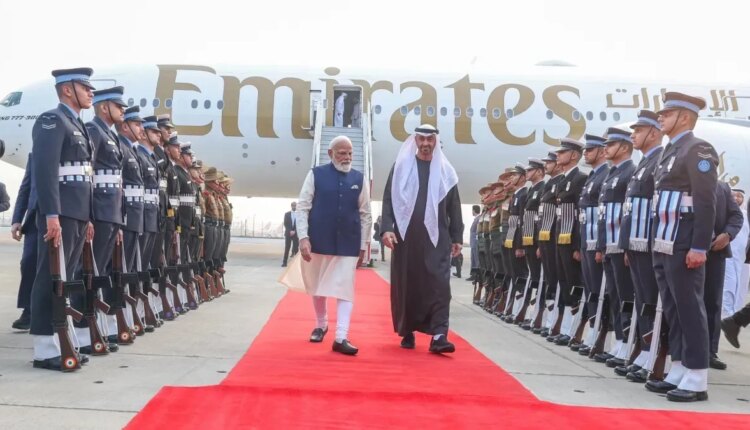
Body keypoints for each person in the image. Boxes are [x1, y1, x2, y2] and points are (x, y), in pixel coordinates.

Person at [645, 92, 718, 402]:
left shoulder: (698, 149)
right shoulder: (670, 151)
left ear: (684, 117)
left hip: (684, 239)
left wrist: (700, 246)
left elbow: (705, 201)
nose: (660, 118)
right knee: (673, 308)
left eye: (667, 113)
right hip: (664, 238)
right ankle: (679, 367)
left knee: (689, 308)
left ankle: (697, 376)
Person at [30, 67, 96, 371]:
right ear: (67, 89)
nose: (91, 92)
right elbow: (45, 171)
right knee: (50, 277)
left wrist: (89, 217)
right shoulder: (52, 120)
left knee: (65, 281)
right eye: (85, 87)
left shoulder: (77, 124)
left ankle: (62, 341)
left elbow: (86, 177)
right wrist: (51, 214)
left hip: (78, 213)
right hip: (61, 214)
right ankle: (45, 350)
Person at [381, 124, 463, 353]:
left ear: (436, 141)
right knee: (408, 284)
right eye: (422, 139)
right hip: (406, 238)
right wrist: (386, 228)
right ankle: (407, 329)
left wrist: (457, 236)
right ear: (415, 141)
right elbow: (388, 199)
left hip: (437, 239)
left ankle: (439, 335)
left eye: (430, 139)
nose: (426, 144)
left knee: (439, 286)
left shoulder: (446, 171)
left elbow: (454, 206)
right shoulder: (401, 167)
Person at [296, 135, 372, 355]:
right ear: (330, 153)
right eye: (342, 153)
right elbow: (303, 207)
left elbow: (366, 213)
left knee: (345, 288)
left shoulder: (359, 178)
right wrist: (303, 237)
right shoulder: (315, 175)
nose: (347, 157)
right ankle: (321, 325)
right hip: (319, 239)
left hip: (348, 242)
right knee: (318, 286)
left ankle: (341, 336)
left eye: (349, 153)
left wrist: (363, 245)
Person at [618, 111, 664, 382]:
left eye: (639, 130)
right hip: (635, 243)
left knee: (650, 300)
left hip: (648, 243)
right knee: (642, 299)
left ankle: (654, 353)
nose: (633, 135)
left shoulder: (658, 161)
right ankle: (646, 350)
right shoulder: (643, 163)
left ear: (654, 133)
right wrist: (626, 245)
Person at [595, 128, 636, 367]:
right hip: (609, 244)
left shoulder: (630, 172)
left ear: (624, 147)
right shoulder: (613, 173)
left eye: (611, 145)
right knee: (615, 295)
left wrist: (626, 245)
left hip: (620, 245)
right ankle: (620, 341)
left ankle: (628, 344)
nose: (606, 149)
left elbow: (629, 213)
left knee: (625, 296)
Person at [702, 181, 742, 370]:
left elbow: (736, 216)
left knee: (712, 303)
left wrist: (727, 234)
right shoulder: (680, 182)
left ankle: (709, 351)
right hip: (683, 252)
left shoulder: (722, 187)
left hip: (714, 253)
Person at [575, 134, 609, 355]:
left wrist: (599, 246)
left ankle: (601, 334)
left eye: (590, 150)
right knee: (591, 290)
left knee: (599, 290)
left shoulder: (604, 175)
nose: (585, 153)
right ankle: (593, 333)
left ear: (602, 151)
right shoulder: (593, 176)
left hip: (596, 241)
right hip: (586, 239)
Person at [10, 154, 37, 330]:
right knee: (28, 263)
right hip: (34, 219)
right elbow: (25, 188)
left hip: (64, 217)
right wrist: (16, 219)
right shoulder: (33, 155)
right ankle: (29, 311)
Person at [723, 189, 749, 317]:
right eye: (734, 195)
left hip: (741, 257)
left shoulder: (746, 215)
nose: (737, 198)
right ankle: (726, 314)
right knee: (729, 285)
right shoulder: (725, 213)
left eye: (740, 196)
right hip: (727, 255)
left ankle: (735, 313)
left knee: (740, 286)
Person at [282, 202, 299, 267]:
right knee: (287, 248)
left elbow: (299, 224)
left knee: (296, 249)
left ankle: (296, 264)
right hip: (288, 233)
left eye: (295, 205)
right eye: (293, 205)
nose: (294, 207)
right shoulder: (287, 214)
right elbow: (285, 223)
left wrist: (295, 231)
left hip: (296, 234)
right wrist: (290, 231)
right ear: (291, 206)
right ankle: (284, 262)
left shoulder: (299, 214)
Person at [468, 205, 481, 281]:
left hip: (475, 242)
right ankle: (473, 274)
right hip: (473, 242)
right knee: (473, 259)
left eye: (472, 210)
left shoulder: (478, 219)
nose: (472, 212)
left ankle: (476, 276)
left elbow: (477, 231)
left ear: (474, 210)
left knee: (476, 259)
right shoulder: (476, 219)